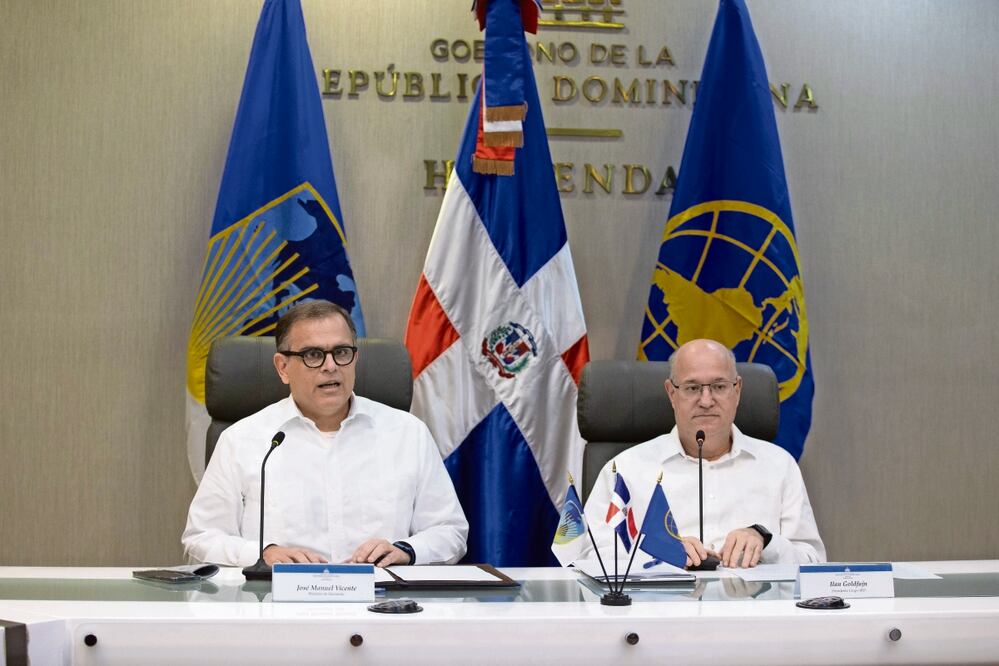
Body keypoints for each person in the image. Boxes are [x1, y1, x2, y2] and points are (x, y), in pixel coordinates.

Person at [182, 300, 468, 568]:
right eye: (313, 355)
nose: (330, 366)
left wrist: (406, 550)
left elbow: (450, 532)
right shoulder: (243, 439)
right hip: (275, 607)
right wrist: (263, 554)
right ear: (283, 368)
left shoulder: (407, 433)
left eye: (341, 352)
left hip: (382, 605)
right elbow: (201, 537)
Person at [584, 339, 825, 568]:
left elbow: (814, 561)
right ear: (671, 393)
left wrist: (766, 541)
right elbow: (587, 555)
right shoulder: (625, 470)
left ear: (737, 390)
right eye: (692, 388)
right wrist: (658, 552)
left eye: (719, 386)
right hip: (660, 608)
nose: (706, 400)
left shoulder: (779, 465)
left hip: (753, 608)